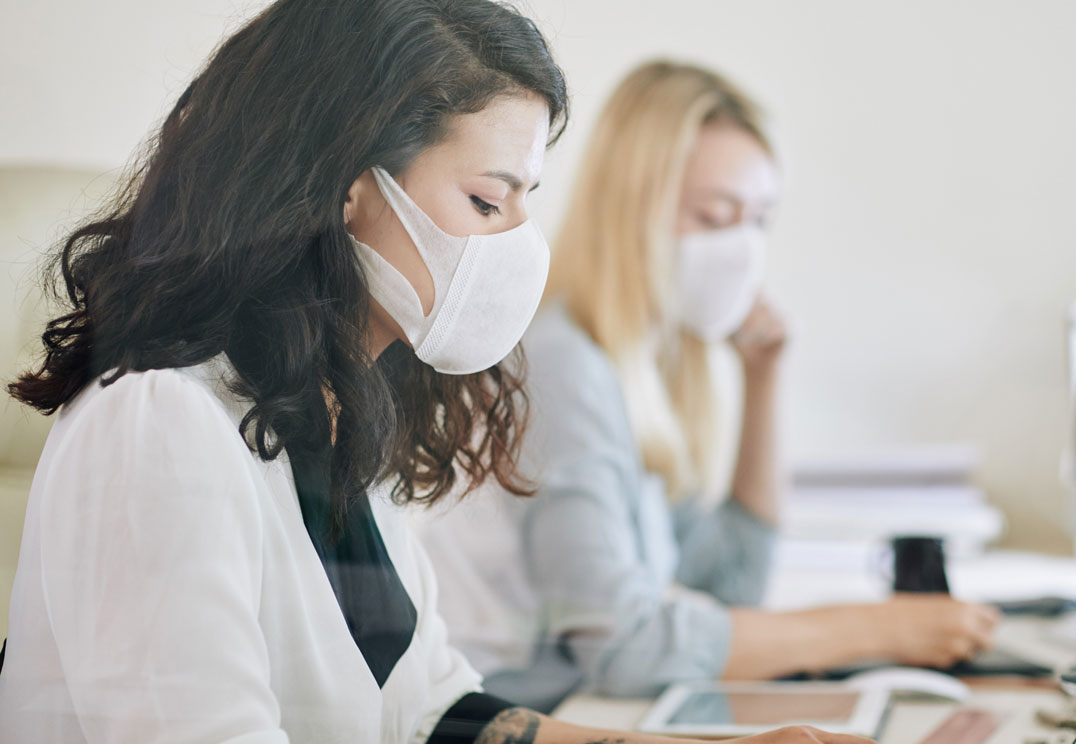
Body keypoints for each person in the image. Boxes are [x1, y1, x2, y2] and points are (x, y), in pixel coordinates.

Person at [0, 4, 870, 743]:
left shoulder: (338, 413)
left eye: (525, 201)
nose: (520, 247)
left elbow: (437, 712)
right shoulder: (160, 425)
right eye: (488, 202)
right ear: (342, 187)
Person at [417, 60, 1001, 712]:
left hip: (583, 708)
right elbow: (620, 647)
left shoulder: (640, 363)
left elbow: (727, 586)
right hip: (517, 714)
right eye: (717, 216)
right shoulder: (560, 364)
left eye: (759, 220)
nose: (744, 249)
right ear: (633, 212)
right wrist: (874, 627)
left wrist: (764, 381)